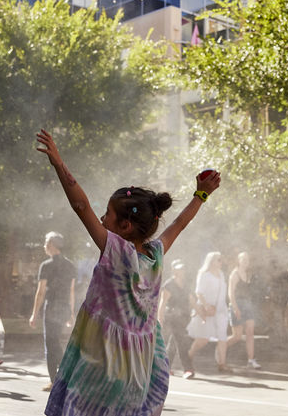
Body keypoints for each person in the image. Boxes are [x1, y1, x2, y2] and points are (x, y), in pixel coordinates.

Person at [34, 129, 221, 416]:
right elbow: (180, 223)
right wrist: (201, 194)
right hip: (142, 366)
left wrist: (59, 164)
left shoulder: (115, 251)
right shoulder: (156, 253)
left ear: (125, 227)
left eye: (107, 214)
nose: (101, 218)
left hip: (105, 362)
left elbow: (80, 205)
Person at [30, 231, 76, 391]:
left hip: (52, 308)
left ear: (50, 245)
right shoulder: (70, 265)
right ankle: (64, 376)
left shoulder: (46, 265)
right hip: (64, 307)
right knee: (55, 341)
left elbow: (41, 292)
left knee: (51, 345)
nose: (44, 246)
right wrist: (71, 312)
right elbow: (71, 291)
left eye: (45, 243)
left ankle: (55, 380)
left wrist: (34, 314)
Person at [186, 251, 231, 372]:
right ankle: (189, 355)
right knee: (203, 338)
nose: (221, 262)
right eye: (219, 260)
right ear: (211, 261)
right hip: (207, 309)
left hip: (221, 310)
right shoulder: (204, 274)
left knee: (222, 337)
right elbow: (199, 292)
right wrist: (206, 306)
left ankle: (222, 364)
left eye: (221, 260)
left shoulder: (221, 274)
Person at [158, 259, 196, 378]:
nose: (182, 271)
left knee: (173, 343)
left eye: (183, 268)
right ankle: (188, 369)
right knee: (181, 342)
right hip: (172, 317)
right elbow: (163, 303)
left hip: (184, 317)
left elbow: (191, 300)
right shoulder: (169, 285)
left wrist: (201, 312)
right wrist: (160, 319)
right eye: (179, 268)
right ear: (174, 270)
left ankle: (165, 368)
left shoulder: (186, 284)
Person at [226, 251, 260, 369]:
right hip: (237, 304)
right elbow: (230, 292)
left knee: (250, 332)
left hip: (247, 304)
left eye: (247, 260)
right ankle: (221, 348)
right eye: (244, 259)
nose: (246, 262)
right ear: (239, 260)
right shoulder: (234, 274)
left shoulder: (248, 274)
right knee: (237, 336)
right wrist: (235, 307)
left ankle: (251, 360)